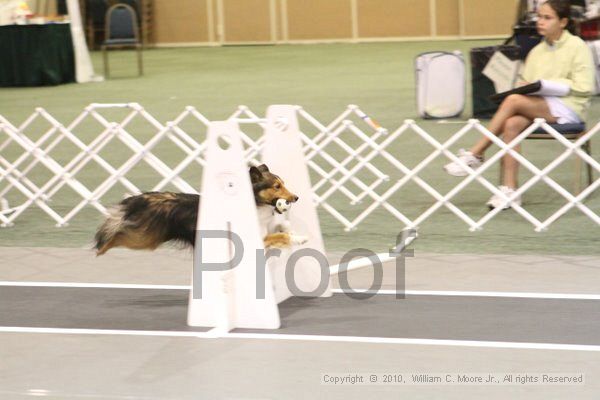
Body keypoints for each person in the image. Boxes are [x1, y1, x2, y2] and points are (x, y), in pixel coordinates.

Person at [444, 0, 594, 209]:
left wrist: (549, 85)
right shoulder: (536, 52)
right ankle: (510, 191)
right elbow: (528, 85)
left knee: (513, 100)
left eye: (547, 18)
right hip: (540, 107)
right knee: (512, 123)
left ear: (563, 22)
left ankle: (475, 153)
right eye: (539, 17)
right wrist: (529, 86)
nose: (540, 22)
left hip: (570, 108)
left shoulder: (577, 46)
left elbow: (585, 87)